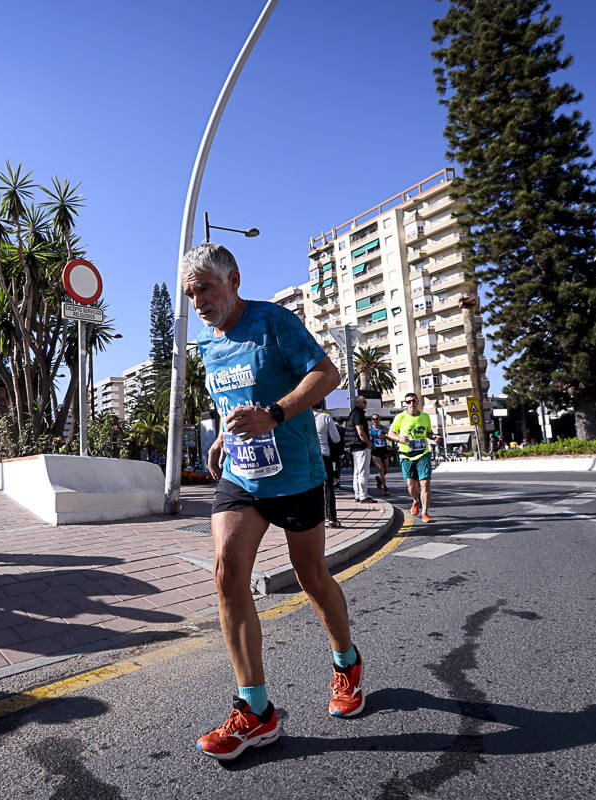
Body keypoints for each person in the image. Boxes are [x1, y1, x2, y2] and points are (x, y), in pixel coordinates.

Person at [182, 243, 364, 762]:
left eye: (207, 289)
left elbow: (328, 375)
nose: (198, 302)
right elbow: (228, 404)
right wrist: (222, 439)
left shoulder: (274, 323)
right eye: (191, 293)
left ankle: (346, 662)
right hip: (242, 477)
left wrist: (276, 414)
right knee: (226, 574)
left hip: (296, 473)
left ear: (234, 280)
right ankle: (255, 711)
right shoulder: (210, 345)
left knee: (312, 576)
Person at [387, 391, 438, 524]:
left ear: (417, 402)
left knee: (425, 483)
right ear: (406, 404)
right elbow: (390, 433)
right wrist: (399, 438)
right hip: (406, 455)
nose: (411, 404)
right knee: (412, 486)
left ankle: (425, 513)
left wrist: (434, 437)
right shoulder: (400, 417)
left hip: (423, 453)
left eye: (413, 401)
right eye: (408, 402)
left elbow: (428, 432)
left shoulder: (425, 417)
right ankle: (415, 501)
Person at [313, 401, 341, 528]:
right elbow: (336, 439)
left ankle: (315, 519)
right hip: (324, 455)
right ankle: (332, 519)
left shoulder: (302, 417)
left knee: (311, 488)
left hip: (308, 456)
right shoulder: (325, 417)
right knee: (328, 486)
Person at [344, 396, 374, 504]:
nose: (366, 403)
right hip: (361, 447)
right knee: (363, 472)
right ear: (357, 403)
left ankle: (357, 494)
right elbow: (360, 432)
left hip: (354, 447)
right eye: (363, 402)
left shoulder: (352, 413)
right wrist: (368, 443)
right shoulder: (358, 414)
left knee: (357, 472)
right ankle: (363, 495)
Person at [369, 413, 391, 497]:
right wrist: (369, 439)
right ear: (372, 420)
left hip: (384, 450)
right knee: (381, 468)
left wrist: (384, 436)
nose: (375, 420)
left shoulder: (383, 428)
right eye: (373, 419)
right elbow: (363, 437)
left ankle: (379, 478)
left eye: (377, 418)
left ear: (379, 419)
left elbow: (391, 437)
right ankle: (385, 488)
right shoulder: (370, 429)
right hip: (375, 450)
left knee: (385, 470)